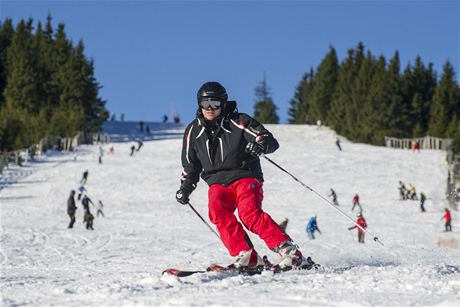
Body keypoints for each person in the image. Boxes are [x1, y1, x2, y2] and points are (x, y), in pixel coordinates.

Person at [175, 81, 313, 270]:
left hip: (245, 175)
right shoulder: (193, 131)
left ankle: (290, 252)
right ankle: (247, 255)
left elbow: (267, 139)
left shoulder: (238, 121)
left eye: (214, 104)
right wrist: (186, 187)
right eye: (205, 103)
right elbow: (190, 165)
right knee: (217, 211)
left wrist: (260, 144)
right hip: (217, 183)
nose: (209, 108)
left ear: (223, 104)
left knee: (249, 214)